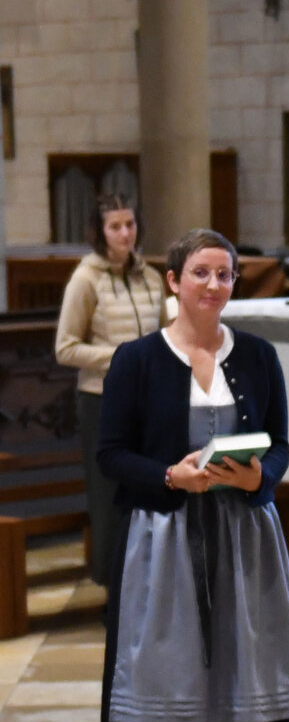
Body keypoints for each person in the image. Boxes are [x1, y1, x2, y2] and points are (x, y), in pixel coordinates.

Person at [95, 228, 289, 722]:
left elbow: (281, 445)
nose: (214, 285)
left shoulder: (260, 356)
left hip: (242, 537)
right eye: (201, 273)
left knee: (232, 685)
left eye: (225, 274)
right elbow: (111, 455)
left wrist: (258, 478)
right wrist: (168, 475)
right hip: (163, 540)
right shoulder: (136, 360)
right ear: (173, 281)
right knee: (162, 682)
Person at [58, 193, 168, 585]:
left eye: (130, 224)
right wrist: (122, 357)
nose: (125, 233)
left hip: (150, 402)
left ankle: (150, 582)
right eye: (115, 226)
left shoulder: (151, 277)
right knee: (109, 496)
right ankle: (112, 586)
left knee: (153, 487)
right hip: (101, 401)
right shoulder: (85, 279)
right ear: (100, 232)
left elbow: (166, 334)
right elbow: (65, 348)